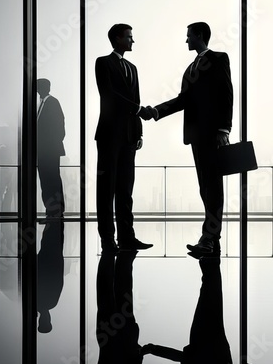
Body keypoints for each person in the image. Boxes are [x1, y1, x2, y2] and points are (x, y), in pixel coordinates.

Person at [146, 22, 233, 256]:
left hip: (213, 135)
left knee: (212, 188)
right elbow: (182, 100)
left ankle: (209, 238)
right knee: (206, 187)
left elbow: (227, 94)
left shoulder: (218, 59)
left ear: (200, 36)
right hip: (197, 137)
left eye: (189, 36)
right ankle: (211, 237)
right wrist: (156, 111)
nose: (186, 41)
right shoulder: (190, 68)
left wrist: (224, 130)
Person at [95, 23, 153, 253]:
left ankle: (127, 238)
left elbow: (135, 100)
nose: (132, 41)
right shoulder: (103, 63)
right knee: (106, 189)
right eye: (129, 37)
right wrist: (139, 110)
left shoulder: (133, 68)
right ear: (117, 38)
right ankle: (108, 239)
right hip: (110, 134)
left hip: (129, 136)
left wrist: (139, 132)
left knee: (125, 190)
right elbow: (109, 94)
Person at [37, 78, 65, 219]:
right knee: (48, 180)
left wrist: (50, 146)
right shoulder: (44, 104)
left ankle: (55, 210)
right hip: (45, 151)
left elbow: (59, 127)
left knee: (50, 180)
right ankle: (53, 209)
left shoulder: (52, 103)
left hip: (49, 151)